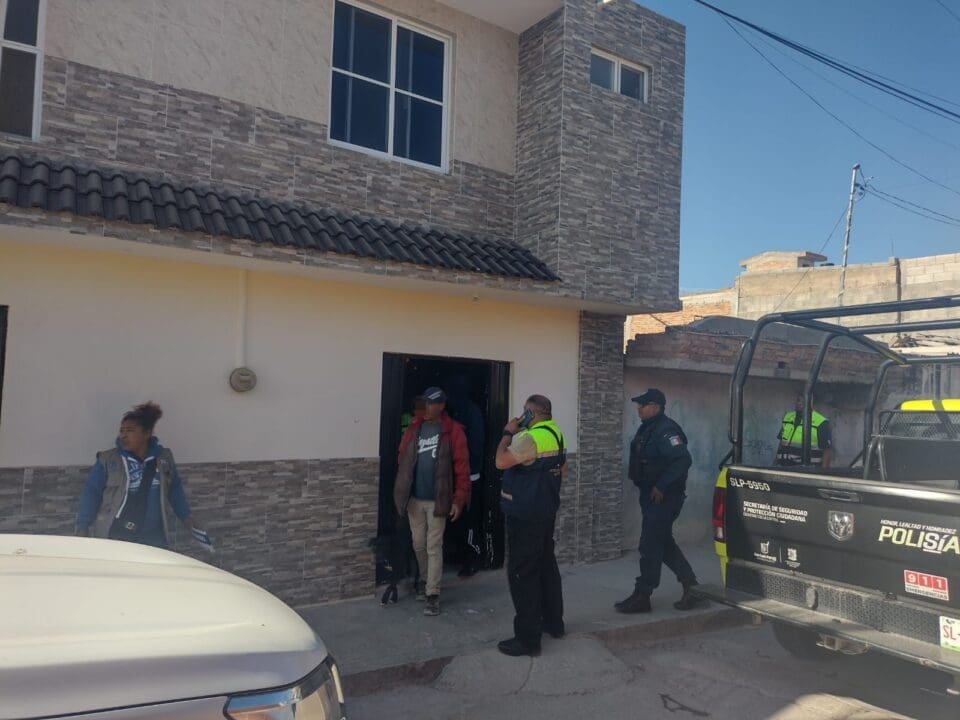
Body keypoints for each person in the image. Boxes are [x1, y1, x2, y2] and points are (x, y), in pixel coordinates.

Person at [616, 388, 700, 614]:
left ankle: (643, 594)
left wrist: (661, 485)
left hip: (664, 497)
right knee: (663, 542)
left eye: (643, 405)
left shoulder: (666, 429)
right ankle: (692, 586)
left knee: (650, 544)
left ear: (655, 407)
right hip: (651, 496)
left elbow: (682, 460)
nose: (639, 409)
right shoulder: (649, 427)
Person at [495, 394, 566, 657]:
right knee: (546, 567)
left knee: (522, 574)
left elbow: (500, 461)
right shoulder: (556, 434)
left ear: (531, 413)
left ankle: (527, 639)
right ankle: (554, 623)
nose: (521, 415)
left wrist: (507, 433)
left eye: (524, 411)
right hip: (545, 512)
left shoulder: (530, 438)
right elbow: (563, 469)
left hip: (525, 515)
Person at [76, 402, 200, 549]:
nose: (123, 435)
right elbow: (91, 493)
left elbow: (175, 490)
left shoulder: (163, 459)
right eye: (121, 431)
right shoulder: (108, 460)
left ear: (147, 433)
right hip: (117, 535)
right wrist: (82, 527)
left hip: (154, 536)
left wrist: (187, 517)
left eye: (130, 431)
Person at [393, 387, 470, 616]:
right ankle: (426, 580)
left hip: (439, 499)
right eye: (424, 403)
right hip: (414, 499)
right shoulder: (414, 428)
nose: (425, 408)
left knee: (433, 545)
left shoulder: (453, 431)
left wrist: (459, 499)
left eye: (430, 404)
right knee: (418, 543)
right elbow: (402, 456)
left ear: (441, 406)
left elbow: (462, 469)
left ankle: (432, 593)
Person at [445, 375, 486, 577]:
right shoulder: (457, 411)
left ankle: (472, 558)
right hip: (457, 475)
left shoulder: (471, 412)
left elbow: (476, 445)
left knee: (470, 521)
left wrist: (467, 468)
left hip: (470, 476)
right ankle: (461, 554)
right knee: (458, 520)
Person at [774, 394, 833, 467]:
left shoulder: (821, 422)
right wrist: (775, 464)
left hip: (806, 469)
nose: (799, 403)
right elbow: (781, 443)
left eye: (804, 401)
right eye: (798, 400)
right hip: (783, 466)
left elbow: (827, 450)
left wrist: (823, 472)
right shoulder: (788, 417)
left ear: (811, 404)